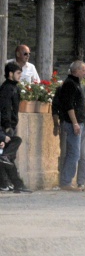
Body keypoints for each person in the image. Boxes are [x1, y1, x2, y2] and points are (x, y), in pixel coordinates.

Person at [56, 61, 85, 192]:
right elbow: (69, 106)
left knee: (83, 154)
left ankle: (81, 182)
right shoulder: (69, 84)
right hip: (73, 123)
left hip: (82, 123)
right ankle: (66, 182)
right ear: (76, 71)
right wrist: (74, 123)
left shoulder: (81, 86)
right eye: (83, 70)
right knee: (74, 153)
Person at [0, 62, 32, 193]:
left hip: (10, 125)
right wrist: (7, 126)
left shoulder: (13, 88)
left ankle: (7, 183)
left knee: (7, 157)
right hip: (6, 126)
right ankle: (16, 184)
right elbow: (5, 108)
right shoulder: (7, 88)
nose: (20, 75)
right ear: (10, 74)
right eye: (18, 73)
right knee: (7, 156)